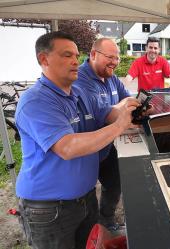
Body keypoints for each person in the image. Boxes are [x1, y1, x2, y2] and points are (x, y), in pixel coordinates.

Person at [15, 31, 139, 249]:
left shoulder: (78, 94)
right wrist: (120, 125)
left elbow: (106, 113)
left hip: (86, 198)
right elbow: (67, 147)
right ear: (44, 60)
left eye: (75, 54)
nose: (75, 61)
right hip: (49, 209)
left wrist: (135, 113)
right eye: (66, 55)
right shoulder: (36, 100)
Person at [75, 37, 130, 232]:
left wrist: (125, 105)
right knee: (85, 193)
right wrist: (122, 109)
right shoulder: (80, 79)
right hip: (84, 149)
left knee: (114, 184)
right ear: (93, 54)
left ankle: (106, 220)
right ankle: (90, 230)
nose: (114, 62)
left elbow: (129, 99)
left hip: (106, 145)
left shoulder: (112, 77)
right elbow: (106, 114)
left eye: (117, 58)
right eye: (110, 57)